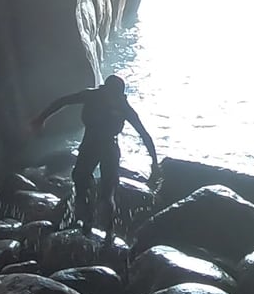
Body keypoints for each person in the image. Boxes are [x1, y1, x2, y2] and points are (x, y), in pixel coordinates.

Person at [30, 74, 159, 245]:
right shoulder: (97, 96)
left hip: (103, 147)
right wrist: (41, 118)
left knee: (106, 191)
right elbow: (63, 101)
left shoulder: (119, 104)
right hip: (95, 146)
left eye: (115, 95)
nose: (112, 98)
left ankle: (106, 231)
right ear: (105, 89)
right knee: (83, 181)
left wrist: (154, 163)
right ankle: (88, 222)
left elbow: (144, 134)